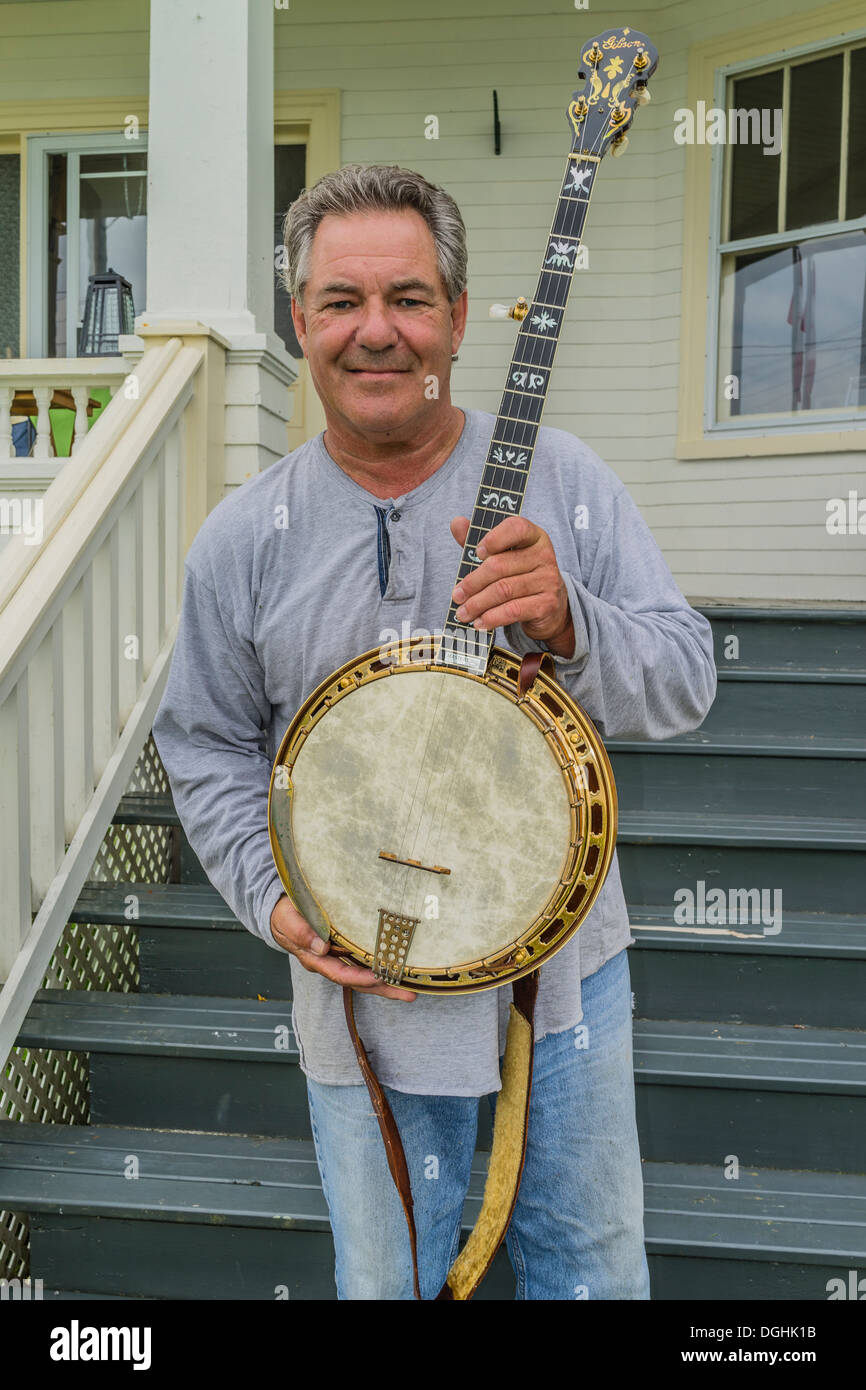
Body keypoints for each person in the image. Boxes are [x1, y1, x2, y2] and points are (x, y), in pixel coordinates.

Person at [153, 163, 716, 1301]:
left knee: (588, 1276)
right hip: (368, 992)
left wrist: (570, 620)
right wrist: (273, 897)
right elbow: (205, 741)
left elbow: (684, 681)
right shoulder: (240, 539)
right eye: (340, 302)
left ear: (457, 320)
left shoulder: (568, 484)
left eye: (409, 299)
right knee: (390, 1281)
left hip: (559, 990)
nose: (376, 333)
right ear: (299, 321)